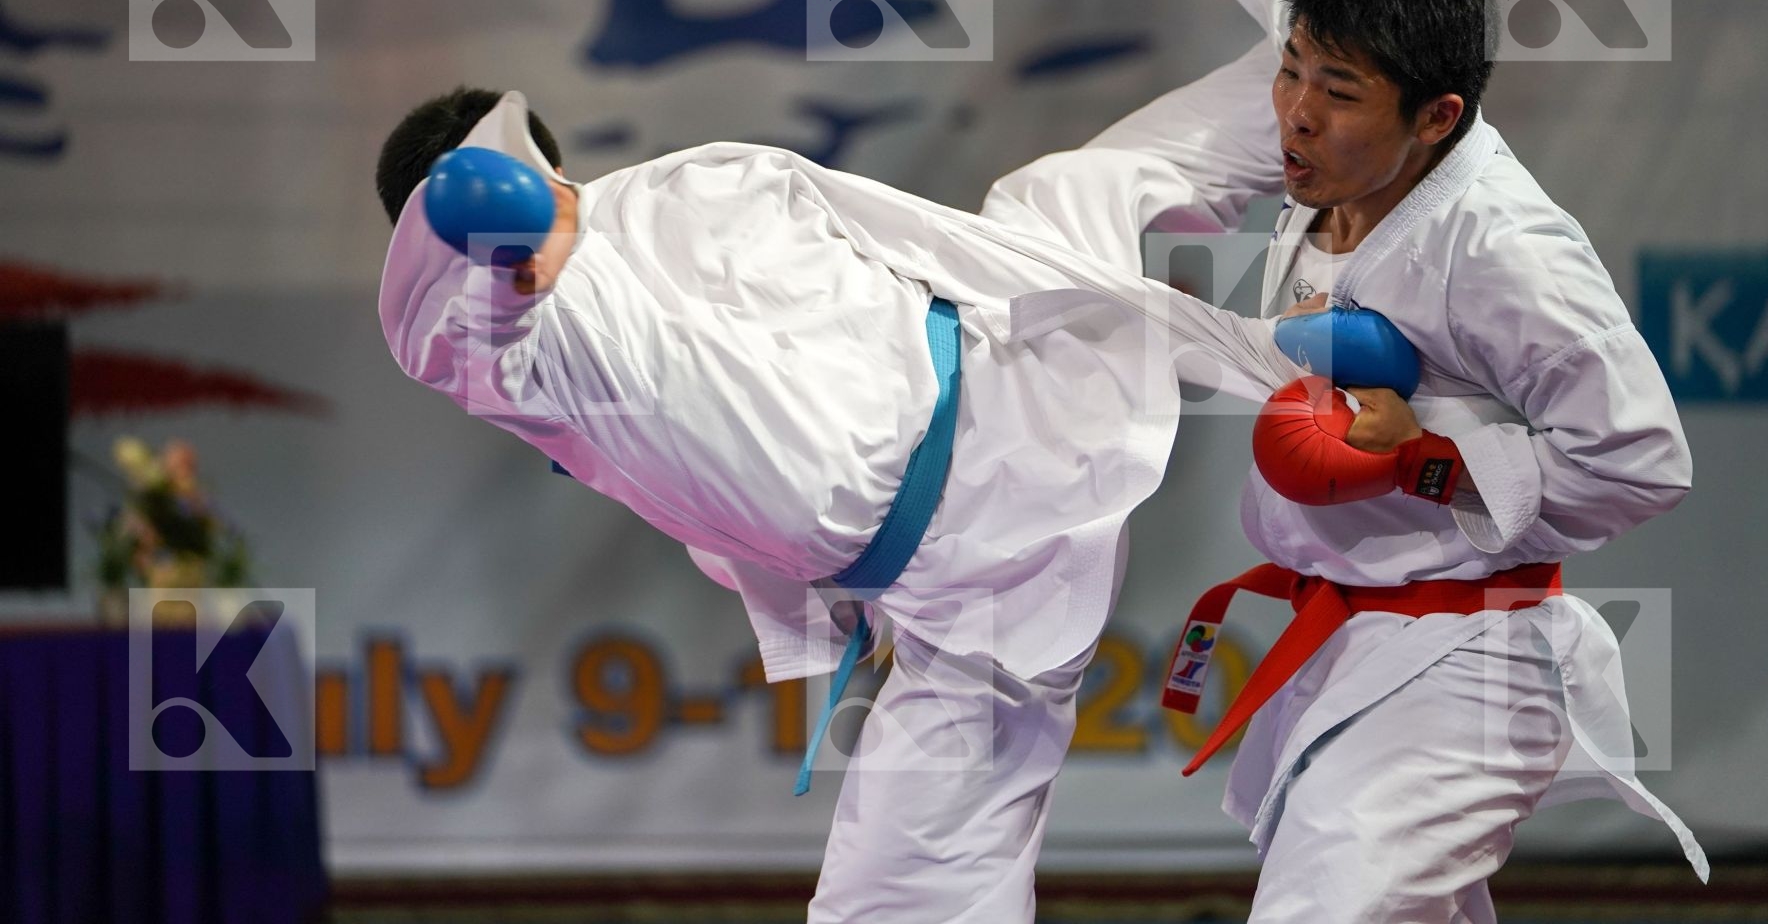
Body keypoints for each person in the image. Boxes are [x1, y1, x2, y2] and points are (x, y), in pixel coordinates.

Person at [377, 87, 1304, 921]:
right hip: (978, 583)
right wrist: (498, 260)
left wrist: (1253, 352)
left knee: (1075, 187)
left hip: (1016, 387)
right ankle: (1331, 39)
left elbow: (927, 245)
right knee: (896, 894)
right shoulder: (526, 341)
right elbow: (470, 328)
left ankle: (1329, 28)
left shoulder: (697, 186)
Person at [994, 0, 1710, 919]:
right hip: (1354, 638)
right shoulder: (1337, 131)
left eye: (1337, 92)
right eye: (1289, 72)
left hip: (1470, 658)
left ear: (1438, 117)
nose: (1293, 113)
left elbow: (1646, 461)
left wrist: (1422, 463)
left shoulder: (1503, 253)